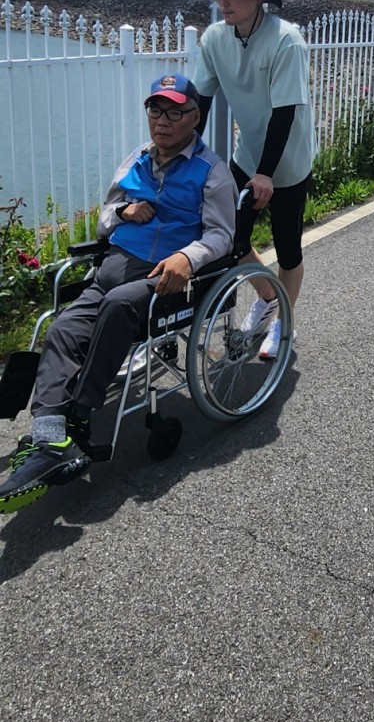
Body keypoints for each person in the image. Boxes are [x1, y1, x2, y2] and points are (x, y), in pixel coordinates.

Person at [0, 73, 237, 514]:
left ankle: (78, 418)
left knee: (117, 306)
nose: (162, 121)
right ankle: (51, 439)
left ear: (195, 117)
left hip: (164, 278)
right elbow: (104, 219)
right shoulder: (136, 160)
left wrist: (188, 258)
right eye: (155, 110)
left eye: (174, 113)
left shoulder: (212, 172)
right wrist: (124, 211)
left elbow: (222, 235)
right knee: (63, 329)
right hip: (111, 270)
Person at [192, 0, 316, 359]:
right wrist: (183, 155)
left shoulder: (286, 41)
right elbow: (200, 102)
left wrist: (266, 175)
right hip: (247, 155)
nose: (223, 0)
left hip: (289, 161)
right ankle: (269, 300)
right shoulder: (214, 38)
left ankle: (284, 323)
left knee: (288, 247)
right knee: (231, 238)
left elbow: (284, 113)